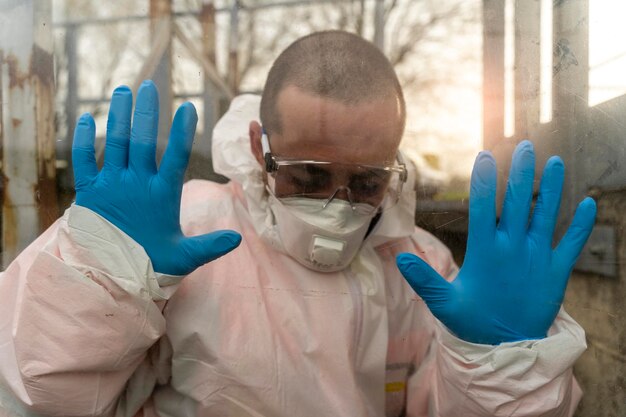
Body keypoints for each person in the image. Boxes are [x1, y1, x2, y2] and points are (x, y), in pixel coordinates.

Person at [0, 31, 596, 417]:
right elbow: (36, 394)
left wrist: (499, 370)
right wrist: (98, 277)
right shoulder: (178, 234)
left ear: (395, 162)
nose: (338, 206)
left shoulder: (425, 272)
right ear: (261, 147)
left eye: (365, 182)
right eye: (307, 177)